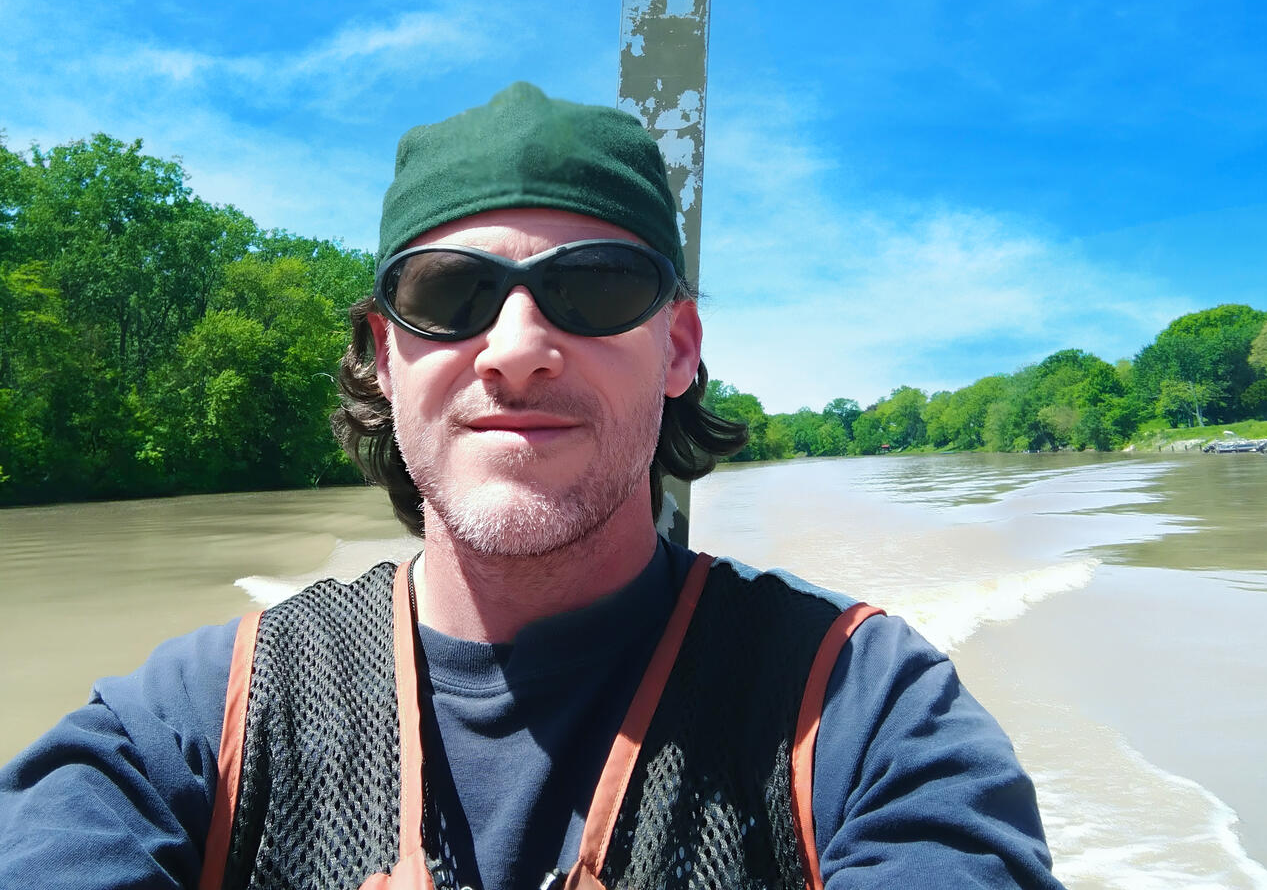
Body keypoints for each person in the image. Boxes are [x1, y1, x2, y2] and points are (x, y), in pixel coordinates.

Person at [0, 83, 1063, 890]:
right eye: (448, 292)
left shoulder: (860, 711)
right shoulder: (201, 720)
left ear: (680, 346)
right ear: (382, 352)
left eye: (593, 288)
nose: (515, 348)